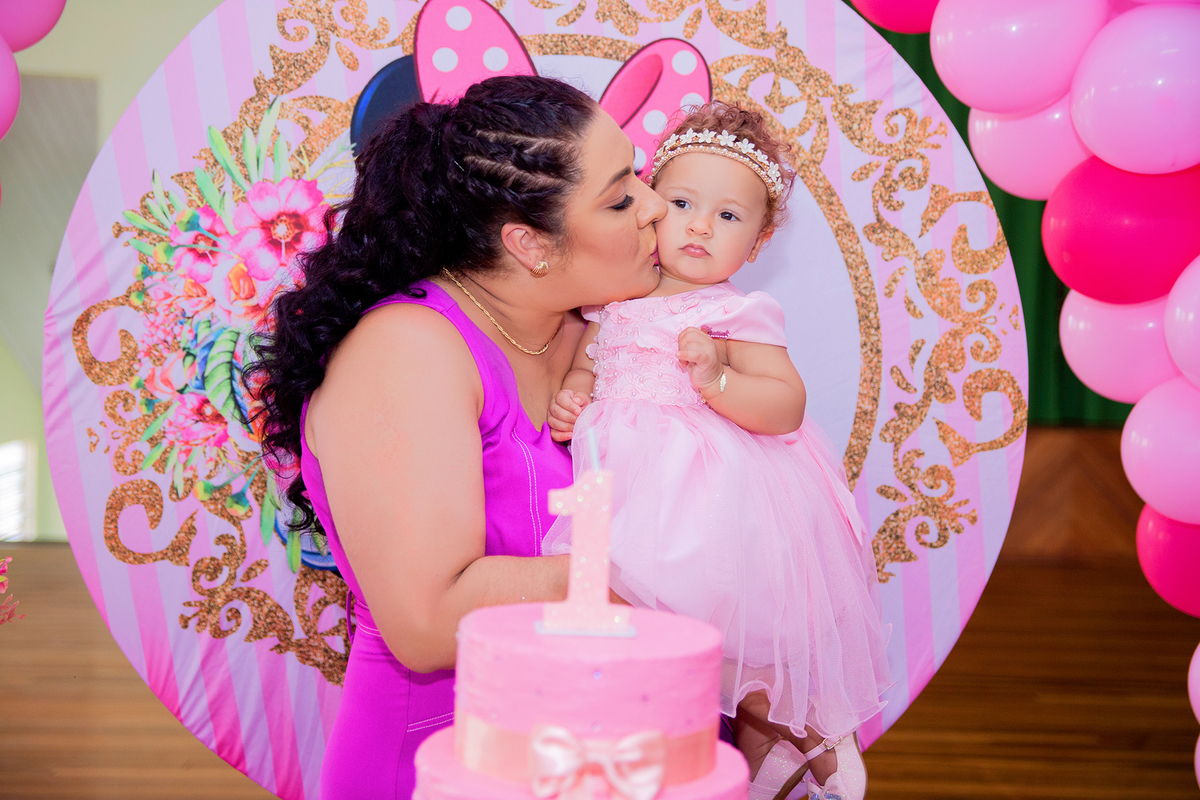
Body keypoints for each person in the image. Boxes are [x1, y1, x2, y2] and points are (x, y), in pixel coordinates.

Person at [249, 75, 665, 799]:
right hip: (442, 759)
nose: (657, 208)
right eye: (622, 197)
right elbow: (429, 618)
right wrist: (673, 579)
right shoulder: (407, 350)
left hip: (597, 751)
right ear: (529, 243)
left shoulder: (600, 334)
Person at [544, 102, 892, 800]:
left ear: (758, 245)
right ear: (647, 208)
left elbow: (785, 403)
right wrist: (572, 398)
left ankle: (811, 733)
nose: (700, 225)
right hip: (622, 490)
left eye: (729, 216)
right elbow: (590, 363)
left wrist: (719, 378)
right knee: (641, 640)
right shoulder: (610, 298)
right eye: (681, 203)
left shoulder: (735, 311)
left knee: (736, 635)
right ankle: (709, 758)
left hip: (709, 495)